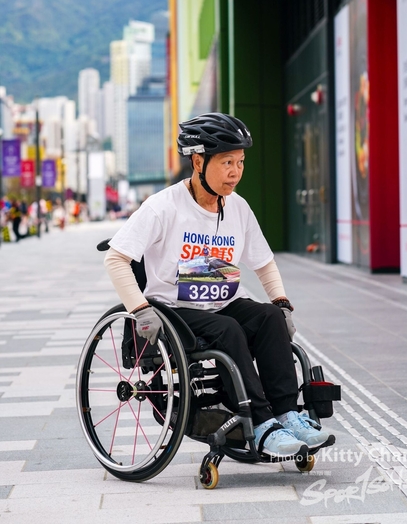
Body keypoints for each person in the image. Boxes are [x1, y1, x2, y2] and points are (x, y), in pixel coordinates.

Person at [105, 113, 333, 458]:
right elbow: (116, 258)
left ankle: (288, 414)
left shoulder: (238, 207)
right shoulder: (162, 207)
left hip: (222, 301)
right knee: (228, 330)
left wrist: (281, 302)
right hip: (176, 310)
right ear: (198, 162)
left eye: (240, 162)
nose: (235, 172)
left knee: (270, 318)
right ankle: (262, 424)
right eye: (227, 162)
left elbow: (264, 262)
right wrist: (140, 310)